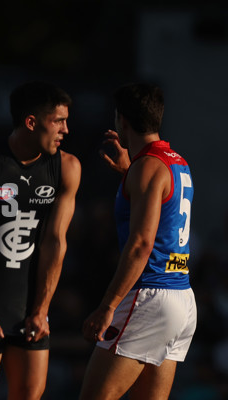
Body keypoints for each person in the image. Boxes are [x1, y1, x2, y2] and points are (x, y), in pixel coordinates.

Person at [0, 81, 81, 399]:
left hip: (30, 310)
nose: (65, 129)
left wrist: (41, 309)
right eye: (58, 121)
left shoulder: (67, 167)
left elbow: (55, 243)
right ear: (31, 121)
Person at [80, 83, 196, 400]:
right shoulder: (177, 162)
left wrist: (107, 306)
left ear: (122, 121)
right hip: (181, 297)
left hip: (149, 297)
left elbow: (141, 244)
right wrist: (129, 172)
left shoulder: (147, 168)